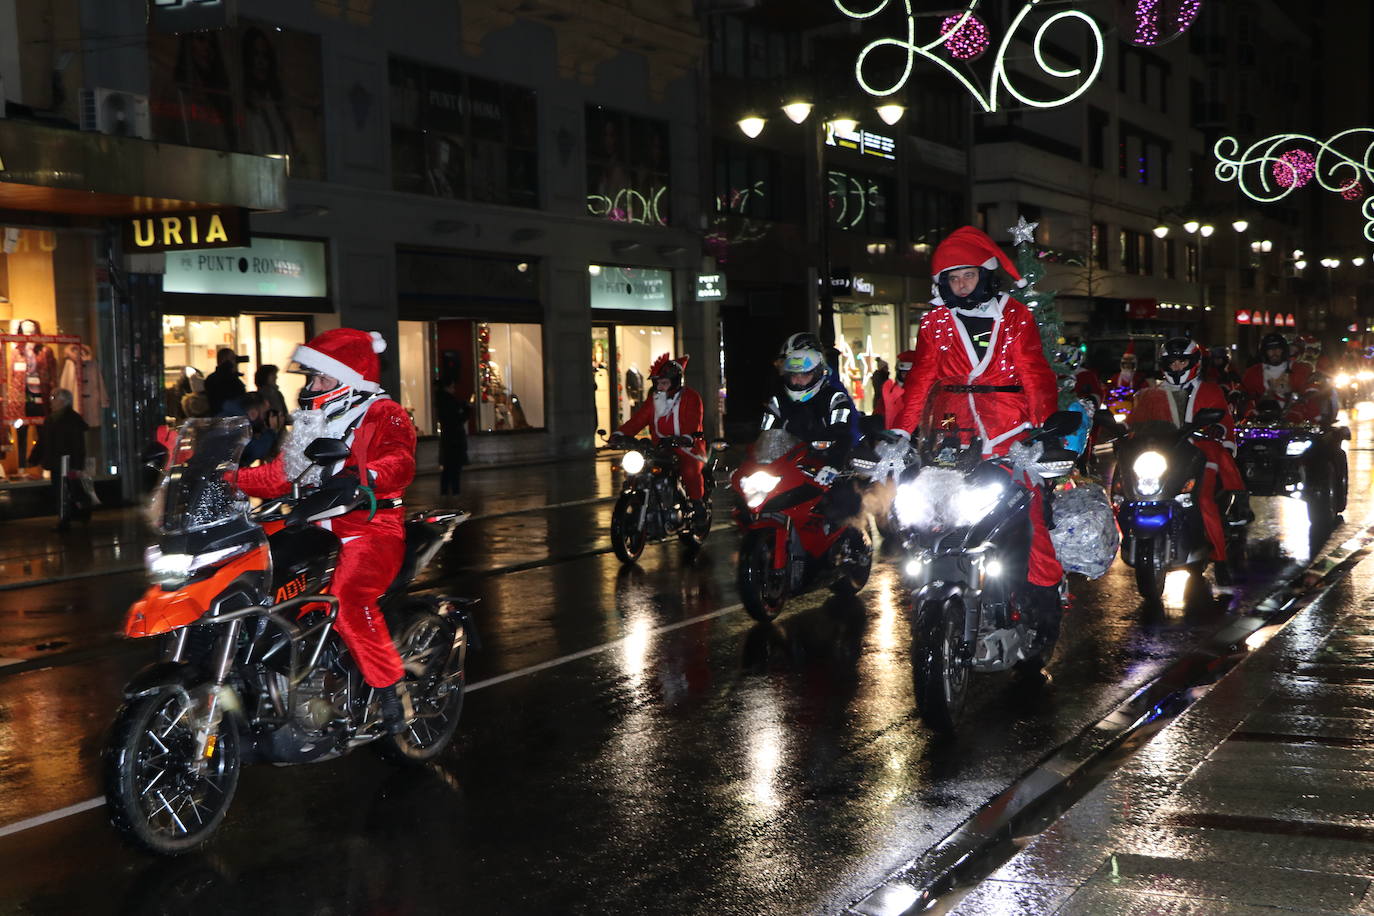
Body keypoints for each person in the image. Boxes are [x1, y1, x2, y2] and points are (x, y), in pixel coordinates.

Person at [232, 328, 417, 734]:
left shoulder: (384, 414)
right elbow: (281, 477)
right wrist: (226, 478)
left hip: (369, 527)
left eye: (320, 379)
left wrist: (363, 475)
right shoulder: (316, 420)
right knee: (249, 567)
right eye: (310, 379)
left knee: (349, 599)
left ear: (348, 378)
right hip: (313, 522)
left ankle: (392, 691)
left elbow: (400, 461)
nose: (311, 387)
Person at [889, 225, 1061, 611]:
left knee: (1027, 511)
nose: (963, 284)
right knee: (930, 512)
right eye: (954, 277)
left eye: (969, 275)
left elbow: (1035, 374)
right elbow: (920, 380)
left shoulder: (1014, 316)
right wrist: (899, 431)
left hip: (1010, 430)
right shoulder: (934, 322)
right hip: (950, 432)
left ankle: (1041, 597)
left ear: (984, 274)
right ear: (943, 282)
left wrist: (1046, 430)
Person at [1129, 337, 1251, 584]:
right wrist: (1127, 433)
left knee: (1203, 498)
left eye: (1181, 361)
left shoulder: (1210, 390)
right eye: (1171, 362)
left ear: (1193, 362)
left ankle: (1220, 560)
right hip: (1167, 453)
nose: (1176, 367)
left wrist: (1217, 430)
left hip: (1202, 452)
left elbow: (1224, 421)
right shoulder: (1155, 392)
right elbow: (1139, 421)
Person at [761, 332, 862, 524]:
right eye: (793, 374)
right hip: (790, 467)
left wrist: (834, 464)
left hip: (827, 466)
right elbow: (766, 434)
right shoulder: (779, 399)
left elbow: (843, 433)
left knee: (836, 511)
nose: (798, 380)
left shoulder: (834, 396)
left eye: (804, 374)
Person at [613, 353, 707, 515]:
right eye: (657, 383)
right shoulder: (654, 399)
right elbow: (639, 419)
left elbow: (693, 420)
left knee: (690, 470)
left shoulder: (691, 397)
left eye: (664, 383)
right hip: (660, 447)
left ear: (676, 382)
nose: (659, 387)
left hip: (687, 448)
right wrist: (620, 434)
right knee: (637, 470)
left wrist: (686, 437)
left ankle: (698, 506)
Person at [26, 388, 89, 532]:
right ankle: (70, 516)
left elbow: (78, 445)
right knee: (60, 491)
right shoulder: (51, 419)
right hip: (55, 462)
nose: (51, 401)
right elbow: (43, 441)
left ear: (63, 401)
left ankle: (67, 518)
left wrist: (78, 466)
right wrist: (34, 458)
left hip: (68, 462)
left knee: (67, 490)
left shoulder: (73, 419)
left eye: (54, 398)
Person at [1241, 332, 1312, 408]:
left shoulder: (1298, 369)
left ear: (1283, 350)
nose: (1274, 352)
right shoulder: (1253, 372)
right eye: (1270, 349)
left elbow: (1309, 389)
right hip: (1260, 416)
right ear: (1264, 352)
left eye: (1277, 349)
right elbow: (1243, 392)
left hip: (1290, 416)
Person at [434, 376, 469, 498]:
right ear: (448, 387)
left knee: (448, 466)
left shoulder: (442, 400)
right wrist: (466, 410)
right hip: (454, 437)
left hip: (448, 437)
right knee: (454, 466)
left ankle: (445, 491)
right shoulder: (450, 402)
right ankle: (455, 490)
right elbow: (457, 419)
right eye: (453, 386)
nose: (454, 389)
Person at [204, 347, 247, 415]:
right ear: (224, 360)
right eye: (233, 358)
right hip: (227, 416)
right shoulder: (228, 378)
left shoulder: (211, 378)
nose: (235, 361)